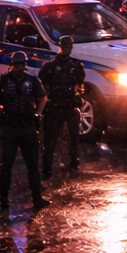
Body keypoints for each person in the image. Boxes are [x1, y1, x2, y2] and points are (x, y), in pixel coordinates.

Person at [0, 49, 50, 211]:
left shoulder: (32, 80)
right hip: (9, 126)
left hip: (27, 126)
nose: (19, 67)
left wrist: (38, 114)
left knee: (32, 164)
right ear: (12, 65)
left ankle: (37, 197)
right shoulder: (3, 80)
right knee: (6, 164)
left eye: (21, 64)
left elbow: (42, 98)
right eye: (16, 64)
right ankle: (4, 197)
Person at [38, 34, 85, 175]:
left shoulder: (76, 66)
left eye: (70, 46)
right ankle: (47, 166)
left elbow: (80, 84)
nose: (67, 49)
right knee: (50, 139)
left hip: (70, 105)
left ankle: (74, 162)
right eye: (65, 46)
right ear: (60, 47)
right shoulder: (50, 66)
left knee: (74, 136)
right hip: (54, 106)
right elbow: (42, 87)